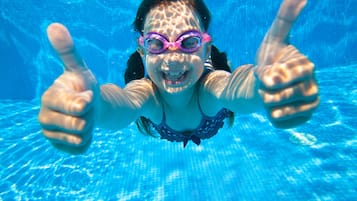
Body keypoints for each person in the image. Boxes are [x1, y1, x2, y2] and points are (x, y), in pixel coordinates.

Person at [38, 0, 319, 154]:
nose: (173, 58)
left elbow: (234, 88)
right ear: (143, 51)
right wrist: (93, 104)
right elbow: (120, 104)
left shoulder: (210, 88)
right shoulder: (147, 95)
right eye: (157, 44)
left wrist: (263, 84)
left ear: (206, 48)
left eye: (188, 42)